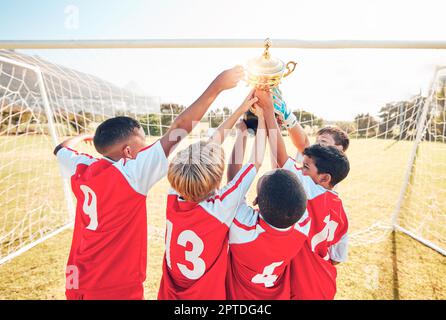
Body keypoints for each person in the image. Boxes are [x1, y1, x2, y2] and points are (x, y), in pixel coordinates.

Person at [54, 66, 244, 300]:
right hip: (113, 288)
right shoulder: (132, 172)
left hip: (77, 279)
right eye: (142, 146)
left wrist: (84, 137)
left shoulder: (81, 166)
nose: (146, 151)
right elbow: (179, 128)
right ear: (127, 151)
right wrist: (217, 86)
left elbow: (61, 148)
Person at [157, 90, 267, 300]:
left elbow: (211, 143)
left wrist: (241, 110)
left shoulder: (174, 194)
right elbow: (256, 161)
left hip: (171, 294)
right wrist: (263, 117)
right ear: (217, 181)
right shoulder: (220, 207)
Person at [256, 89, 350, 300]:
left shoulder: (309, 189)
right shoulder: (342, 210)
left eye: (305, 167)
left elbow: (281, 157)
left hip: (301, 285)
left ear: (324, 178)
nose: (302, 171)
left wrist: (269, 112)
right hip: (324, 283)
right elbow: (336, 257)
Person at [225, 117, 309, 300]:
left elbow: (234, 182)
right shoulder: (303, 225)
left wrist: (242, 133)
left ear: (256, 202)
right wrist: (272, 127)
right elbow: (281, 174)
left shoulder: (244, 230)